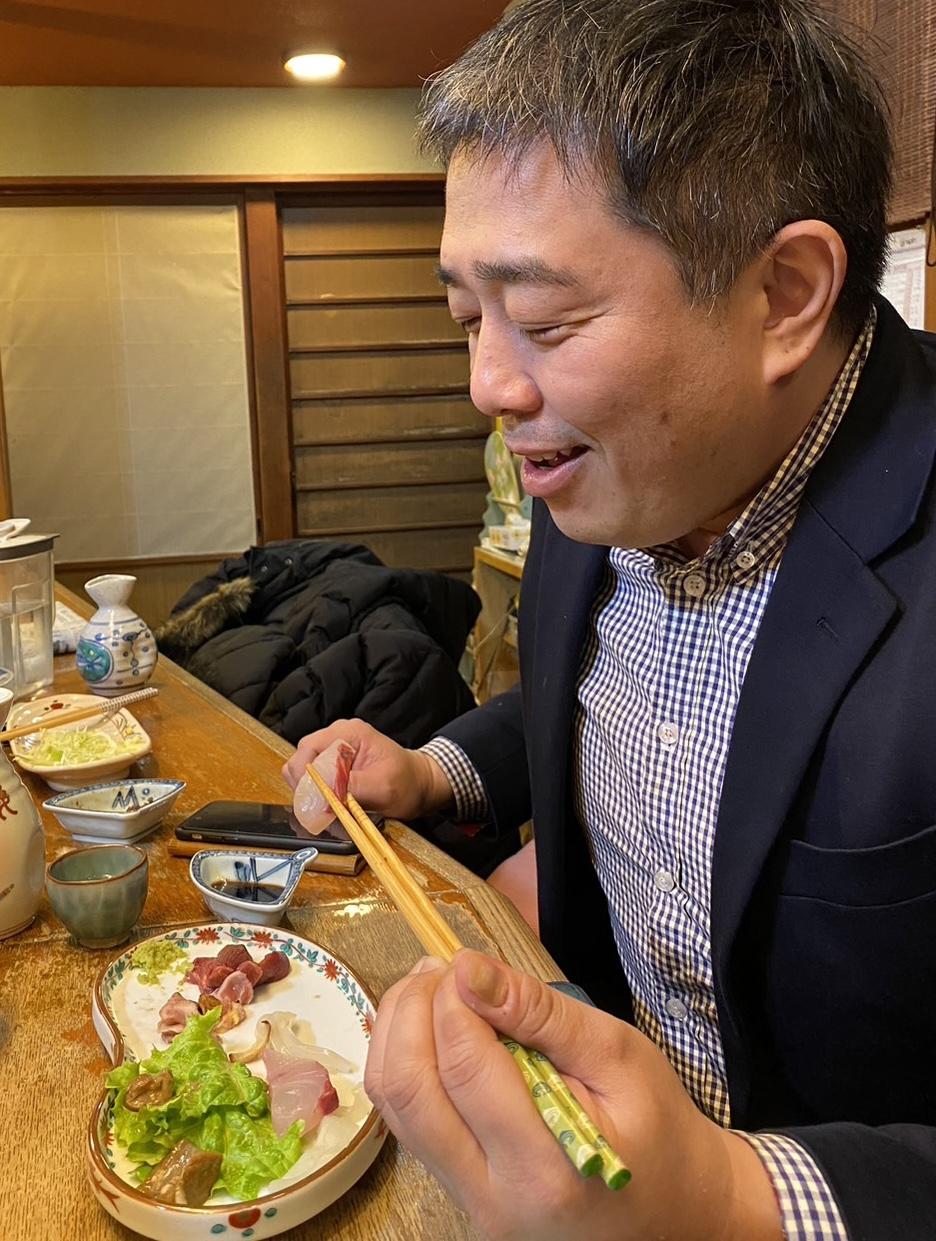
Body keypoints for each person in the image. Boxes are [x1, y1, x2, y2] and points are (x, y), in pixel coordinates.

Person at [284, 1, 936, 1236]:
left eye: (545, 320)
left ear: (784, 293)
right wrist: (433, 769)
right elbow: (594, 694)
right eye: (468, 317)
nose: (489, 383)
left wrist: (731, 1198)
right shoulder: (618, 458)